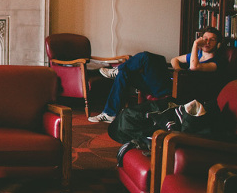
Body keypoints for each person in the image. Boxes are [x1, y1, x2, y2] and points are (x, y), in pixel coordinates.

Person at [88, 26, 223, 123]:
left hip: (179, 93)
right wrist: (178, 72)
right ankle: (109, 113)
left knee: (148, 57)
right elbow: (174, 60)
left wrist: (195, 44)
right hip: (171, 84)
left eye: (212, 40)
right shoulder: (196, 55)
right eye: (205, 38)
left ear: (218, 44)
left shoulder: (215, 63)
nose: (207, 42)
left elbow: (194, 67)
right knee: (125, 74)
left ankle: (118, 69)